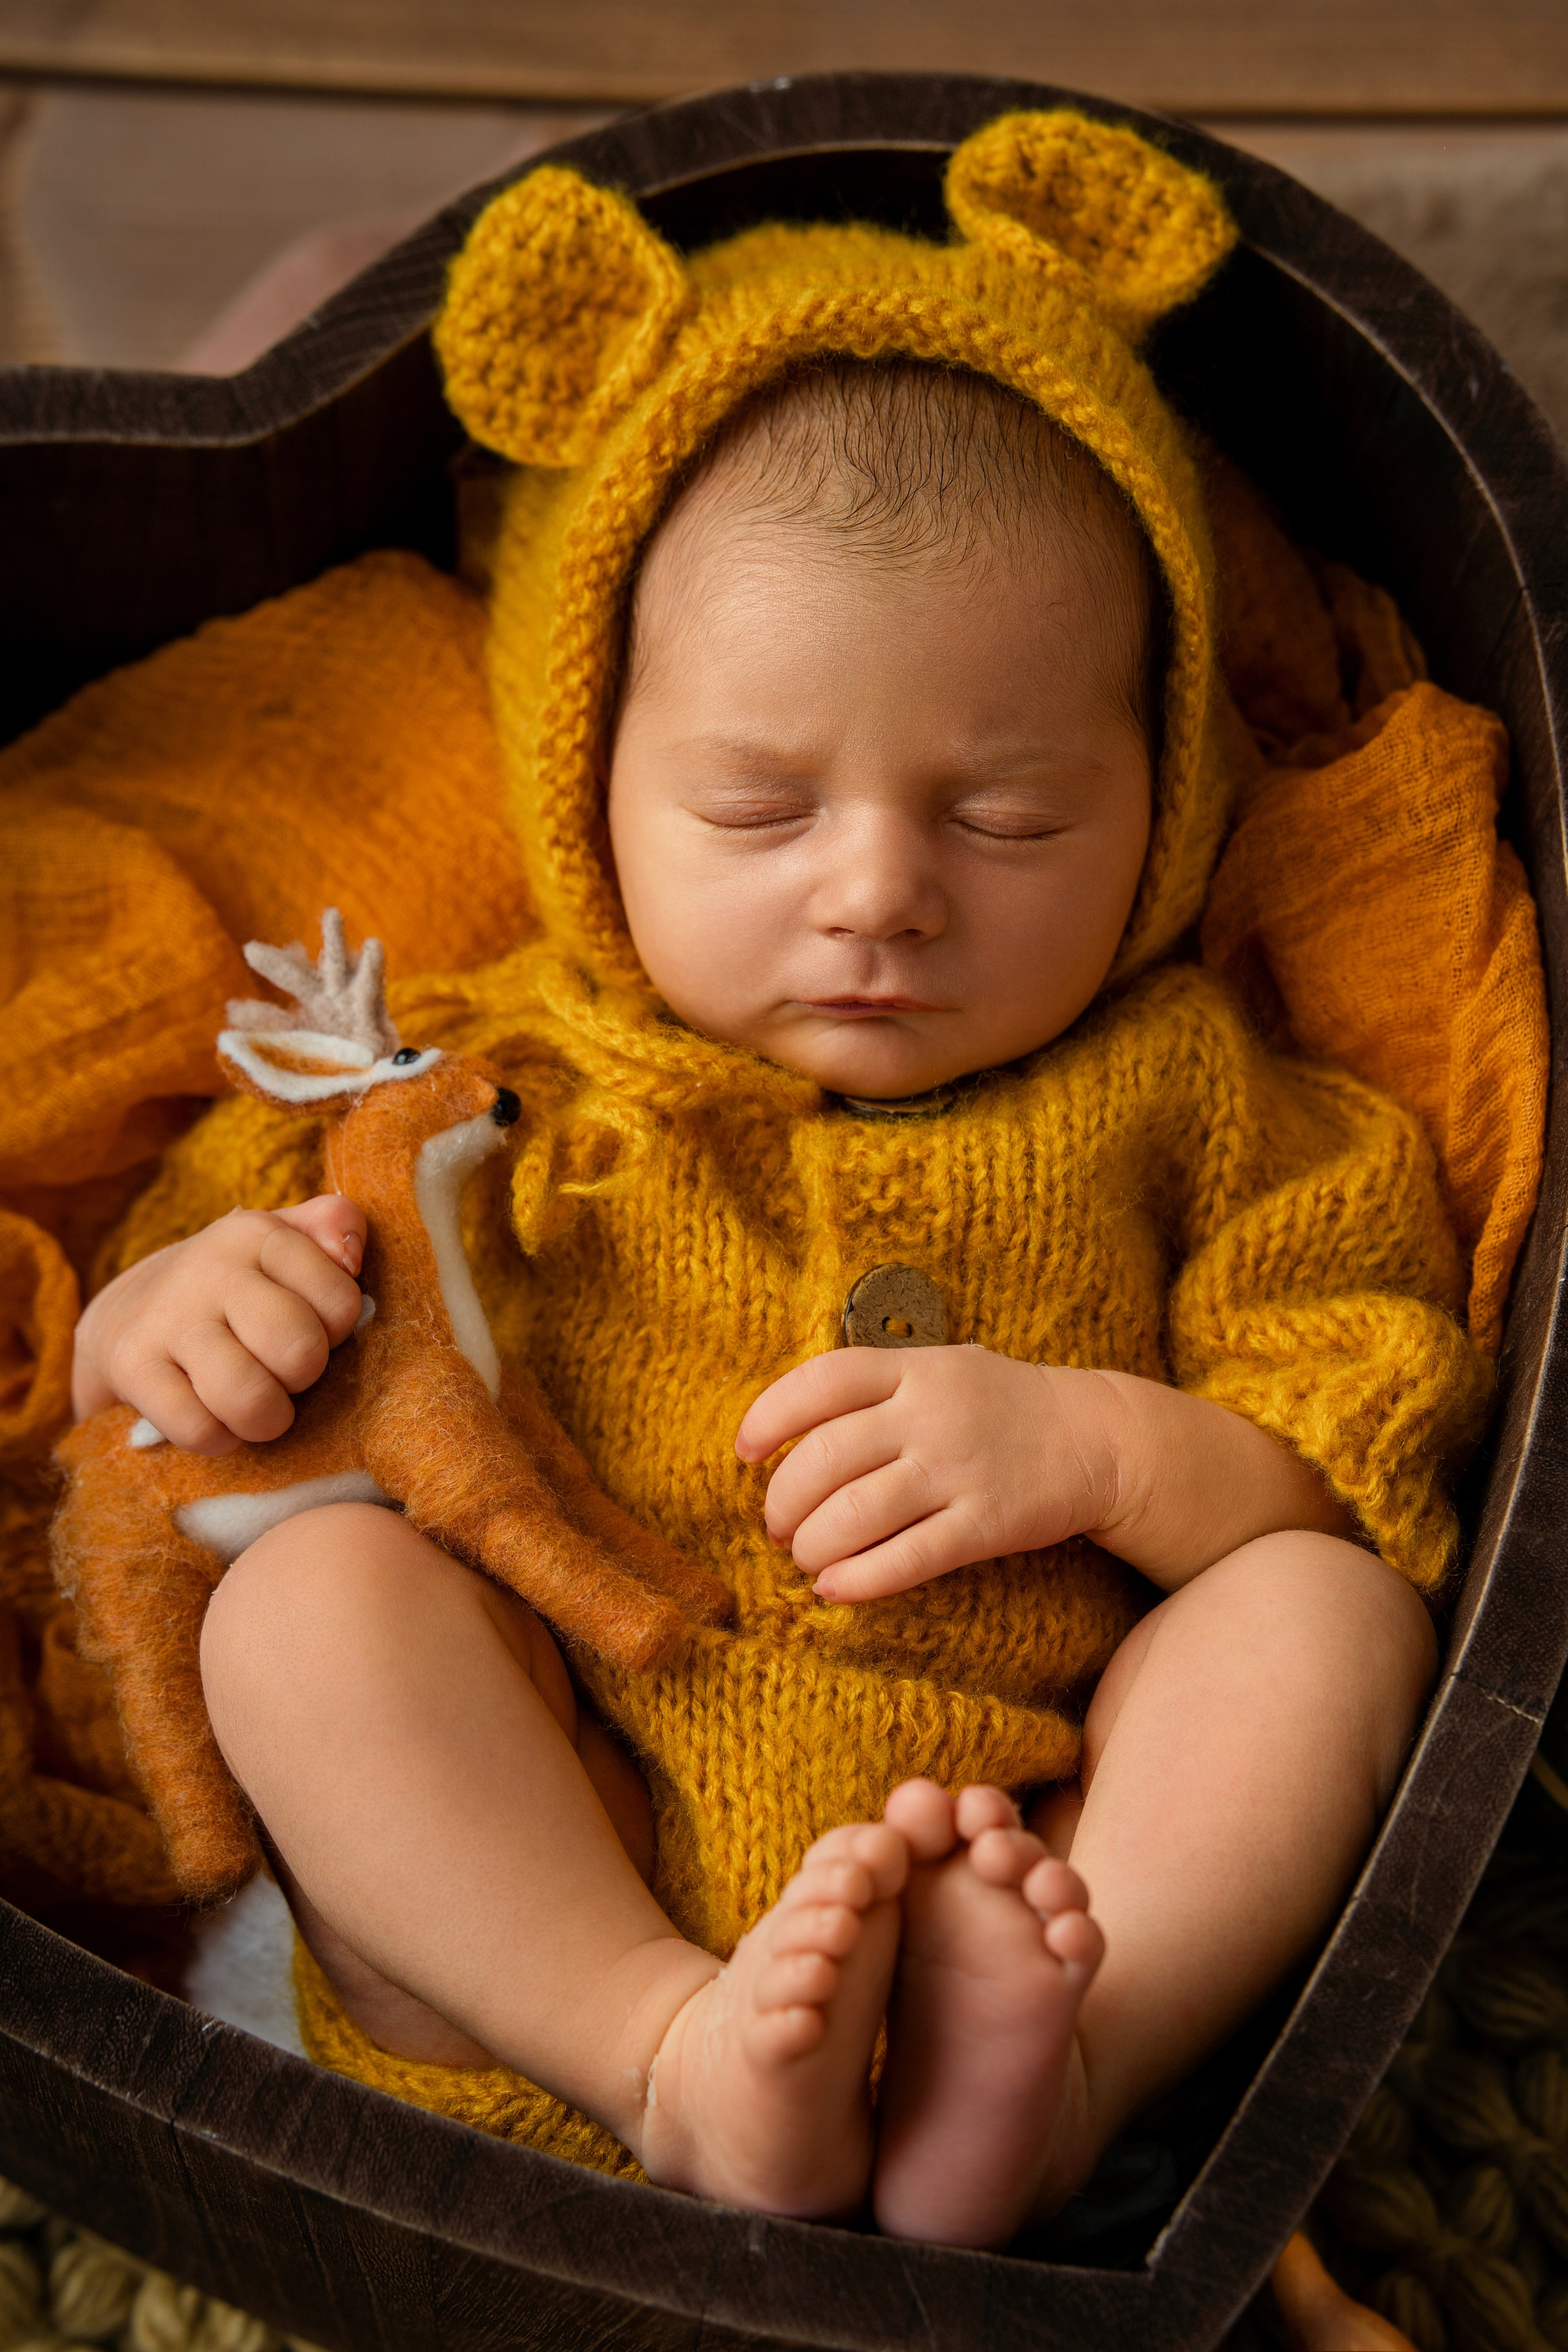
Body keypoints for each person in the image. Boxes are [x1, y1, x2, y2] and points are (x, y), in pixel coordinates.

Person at [60, 116, 1516, 2251]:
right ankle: (664, 2050)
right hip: (545, 1864)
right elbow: (183, 1359)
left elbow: (1358, 1433)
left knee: (1325, 1614)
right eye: (759, 809)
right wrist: (166, 1316)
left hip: (1036, 1863)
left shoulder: (1204, 1093)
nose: (879, 895)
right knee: (308, 1608)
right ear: (591, 787)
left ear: (1169, 787)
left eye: (1008, 816)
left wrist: (1111, 1453)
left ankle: (1058, 2083)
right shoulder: (465, 1073)